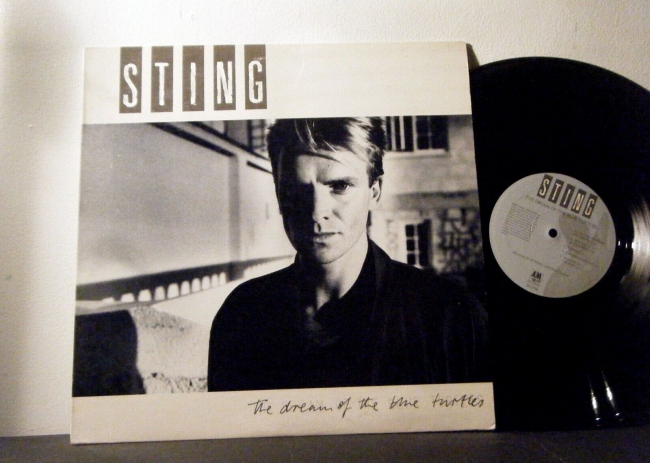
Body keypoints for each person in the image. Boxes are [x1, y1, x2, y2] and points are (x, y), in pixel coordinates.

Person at [208, 117, 489, 392]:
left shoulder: (449, 317)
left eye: (339, 186)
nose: (317, 212)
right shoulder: (241, 316)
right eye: (296, 189)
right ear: (280, 196)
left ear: (374, 191)